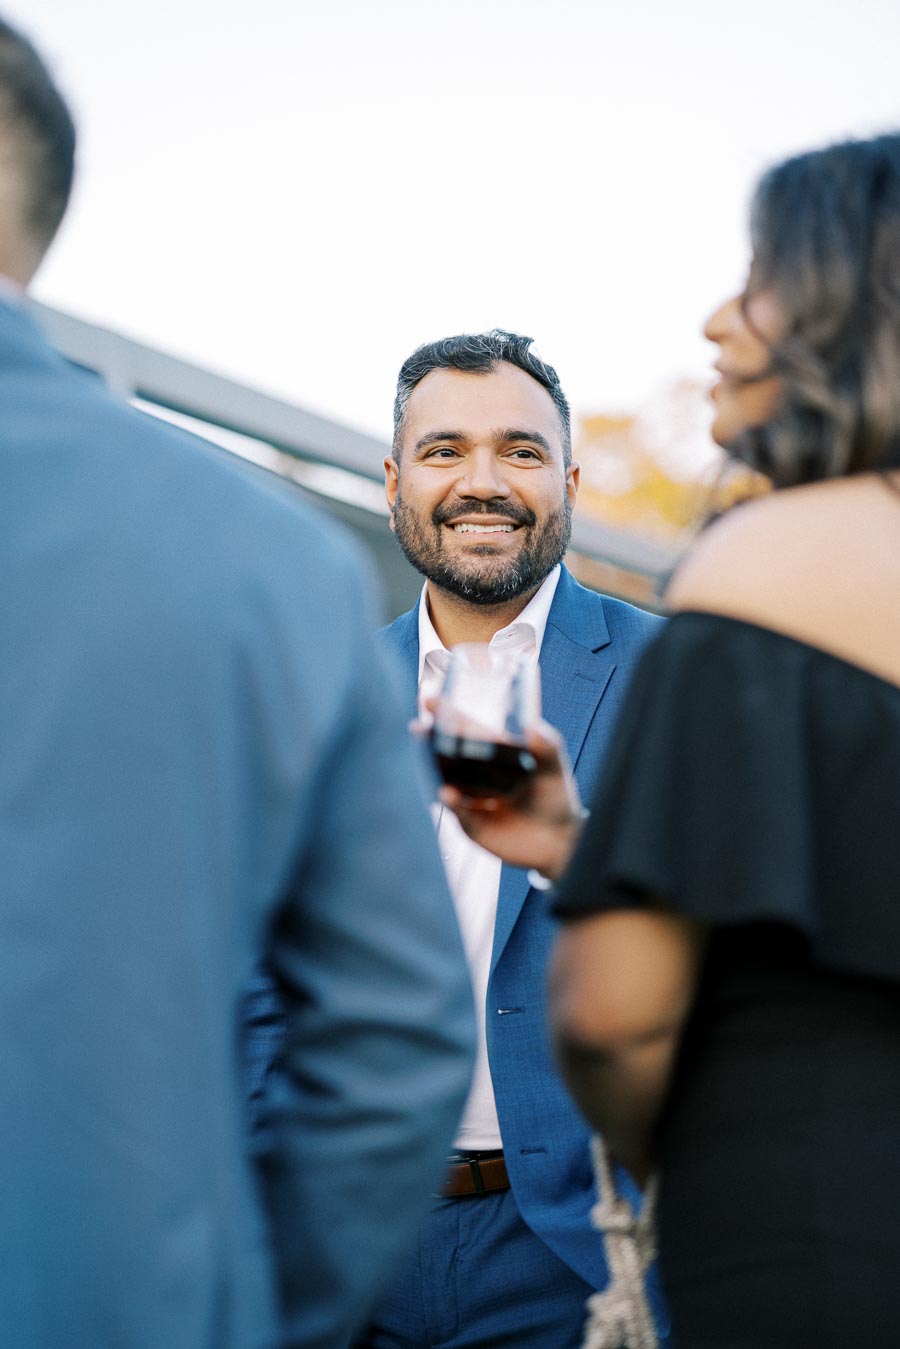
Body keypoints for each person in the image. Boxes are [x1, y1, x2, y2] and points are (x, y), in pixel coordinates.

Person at [0, 17, 475, 1349]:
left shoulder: (649, 661)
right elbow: (390, 1041)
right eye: (438, 447)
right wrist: (242, 1310)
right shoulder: (271, 572)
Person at [443, 134, 900, 1348]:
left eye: (762, 279)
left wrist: (660, 1164)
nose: (715, 322)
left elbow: (613, 1012)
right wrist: (575, 844)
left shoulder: (769, 564)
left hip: (800, 1241)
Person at [355, 330, 667, 1348]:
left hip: (583, 1254)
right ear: (395, 478)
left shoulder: (682, 674)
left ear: (569, 478)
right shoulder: (326, 689)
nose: (481, 481)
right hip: (349, 1245)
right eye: (444, 450)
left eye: (521, 451)